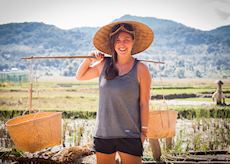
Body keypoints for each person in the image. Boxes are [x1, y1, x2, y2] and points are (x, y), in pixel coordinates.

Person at [76, 20, 154, 164]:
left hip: (130, 135)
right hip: (104, 134)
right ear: (112, 43)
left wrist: (143, 132)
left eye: (126, 40)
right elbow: (79, 76)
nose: (122, 44)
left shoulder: (141, 68)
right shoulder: (104, 65)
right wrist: (88, 59)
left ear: (133, 42)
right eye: (118, 40)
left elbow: (144, 103)